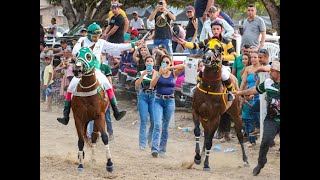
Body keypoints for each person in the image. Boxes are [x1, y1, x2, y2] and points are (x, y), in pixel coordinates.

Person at [56, 22, 138, 125]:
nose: (96, 38)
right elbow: (75, 51)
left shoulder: (101, 42)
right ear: (89, 34)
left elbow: (116, 47)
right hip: (83, 70)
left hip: (96, 70)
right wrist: (84, 52)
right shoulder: (82, 40)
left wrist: (132, 44)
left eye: (98, 36)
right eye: (94, 36)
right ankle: (65, 115)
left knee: (108, 85)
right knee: (71, 87)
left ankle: (116, 111)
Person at [233, 61, 280, 176]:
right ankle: (261, 162)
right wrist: (240, 92)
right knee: (265, 142)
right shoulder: (268, 82)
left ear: (278, 72)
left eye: (271, 71)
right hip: (272, 119)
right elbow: (254, 90)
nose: (269, 73)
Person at [177, 19, 237, 101]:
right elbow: (195, 45)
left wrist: (223, 57)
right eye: (214, 29)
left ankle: (230, 92)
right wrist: (185, 43)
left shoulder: (227, 42)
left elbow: (234, 55)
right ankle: (196, 87)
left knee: (224, 75)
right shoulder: (207, 41)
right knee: (202, 70)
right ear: (211, 30)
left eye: (217, 29)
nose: (215, 31)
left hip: (222, 66)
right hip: (209, 65)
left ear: (222, 30)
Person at [150, 55, 185, 157]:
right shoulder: (157, 73)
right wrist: (159, 74)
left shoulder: (173, 73)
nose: (165, 64)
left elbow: (184, 66)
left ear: (170, 63)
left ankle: (162, 150)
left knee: (165, 127)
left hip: (170, 100)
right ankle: (154, 148)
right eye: (163, 62)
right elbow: (152, 85)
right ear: (160, 64)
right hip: (158, 100)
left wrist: (170, 68)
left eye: (167, 62)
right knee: (157, 125)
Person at [135, 56, 157, 150]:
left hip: (153, 96)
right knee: (143, 120)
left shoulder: (156, 73)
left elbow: (155, 84)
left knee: (153, 121)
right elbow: (136, 86)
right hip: (143, 95)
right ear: (145, 63)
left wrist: (155, 74)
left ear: (154, 63)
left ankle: (149, 138)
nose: (149, 63)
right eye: (147, 61)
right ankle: (142, 144)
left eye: (151, 61)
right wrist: (142, 75)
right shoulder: (141, 72)